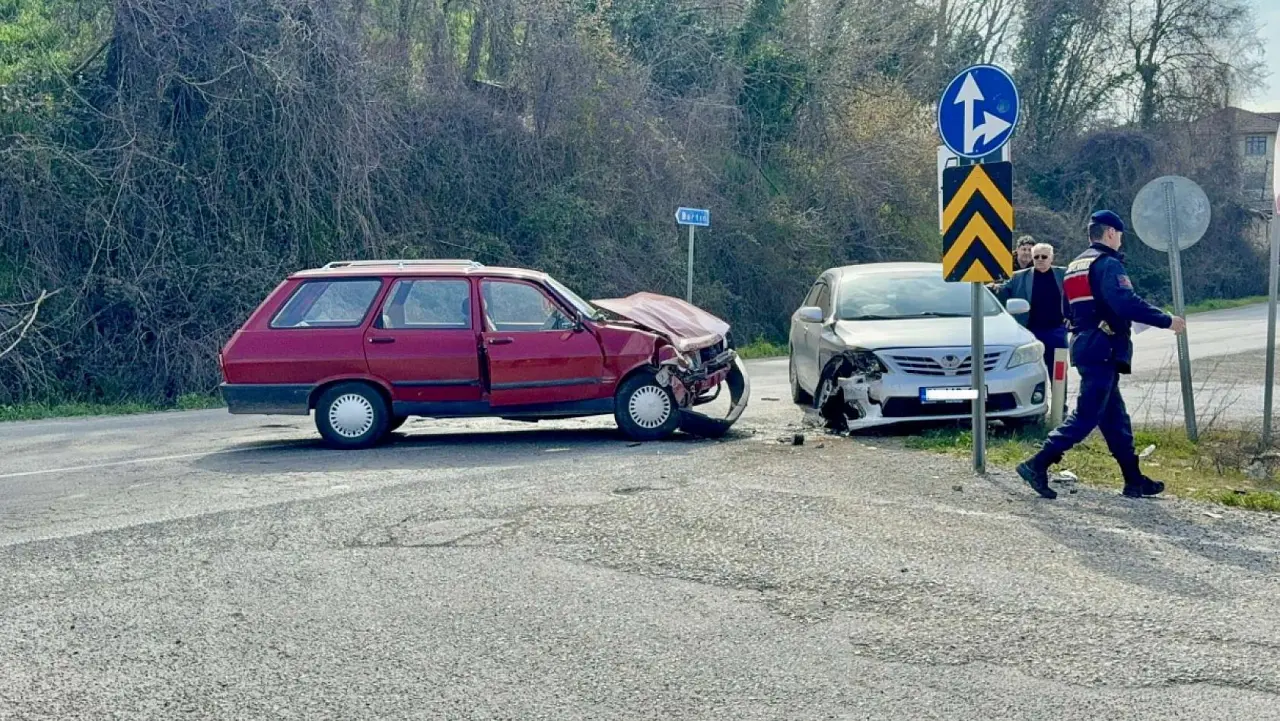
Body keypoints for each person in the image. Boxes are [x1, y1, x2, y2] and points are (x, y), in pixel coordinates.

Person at [1016, 210, 1187, 500]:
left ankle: (1134, 480)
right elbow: (1125, 301)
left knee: (1115, 419)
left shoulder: (1074, 266)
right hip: (1103, 347)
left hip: (1086, 344)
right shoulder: (1107, 264)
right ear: (1110, 233)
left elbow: (1066, 311)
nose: (1120, 240)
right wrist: (1166, 320)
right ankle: (1038, 463)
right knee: (1086, 415)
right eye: (1119, 235)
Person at [992, 242, 1067, 372]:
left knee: (1058, 372)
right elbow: (1001, 291)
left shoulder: (1063, 274)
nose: (1040, 260)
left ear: (1051, 258)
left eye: (1044, 257)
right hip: (1030, 332)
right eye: (1036, 257)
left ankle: (1059, 394)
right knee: (1029, 370)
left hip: (1057, 331)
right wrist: (986, 287)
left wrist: (1072, 316)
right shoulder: (1018, 277)